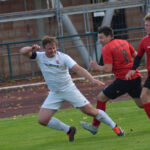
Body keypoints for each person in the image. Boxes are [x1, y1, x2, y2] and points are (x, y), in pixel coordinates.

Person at [20, 36, 124, 142]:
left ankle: (115, 127)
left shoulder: (63, 57)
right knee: (42, 120)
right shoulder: (39, 56)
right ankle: (69, 130)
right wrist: (31, 48)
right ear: (44, 49)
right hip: (55, 93)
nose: (53, 50)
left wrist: (92, 79)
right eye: (49, 49)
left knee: (90, 111)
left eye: (54, 48)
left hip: (69, 90)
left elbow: (78, 69)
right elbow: (23, 52)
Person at [80, 26, 143, 135]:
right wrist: (130, 67)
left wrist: (96, 66)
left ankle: (94, 126)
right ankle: (94, 126)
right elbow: (136, 56)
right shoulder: (124, 41)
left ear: (110, 36)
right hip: (135, 77)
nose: (100, 41)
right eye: (98, 38)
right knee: (142, 104)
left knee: (101, 97)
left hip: (124, 80)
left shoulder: (107, 48)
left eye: (102, 38)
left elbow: (108, 69)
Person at [126, 13, 150, 119]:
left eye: (148, 25)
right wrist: (133, 69)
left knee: (144, 96)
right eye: (145, 25)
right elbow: (138, 57)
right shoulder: (144, 41)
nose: (146, 27)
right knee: (143, 97)